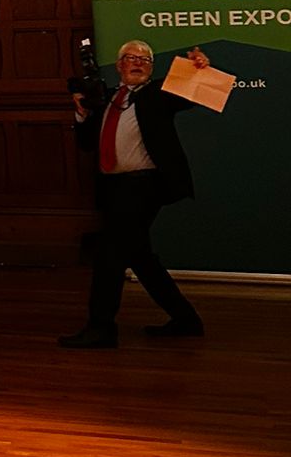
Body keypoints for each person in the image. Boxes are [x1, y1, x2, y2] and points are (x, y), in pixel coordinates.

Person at [59, 39, 210, 348]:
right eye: (131, 57)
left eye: (145, 59)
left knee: (109, 254)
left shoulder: (159, 95)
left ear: (151, 68)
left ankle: (101, 327)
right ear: (119, 66)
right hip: (113, 189)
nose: (138, 62)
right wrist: (81, 114)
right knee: (140, 257)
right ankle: (186, 319)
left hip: (144, 187)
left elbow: (199, 93)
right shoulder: (107, 99)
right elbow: (88, 144)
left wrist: (200, 69)